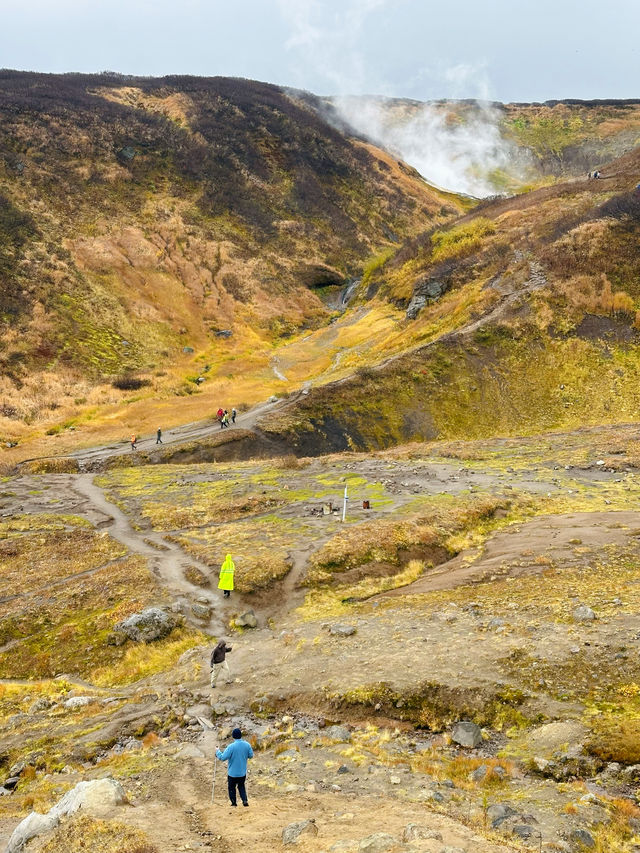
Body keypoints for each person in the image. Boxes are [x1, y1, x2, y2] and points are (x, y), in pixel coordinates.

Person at [216, 728, 253, 807]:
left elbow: (222, 758)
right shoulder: (247, 745)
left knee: (231, 788)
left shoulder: (231, 746)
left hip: (232, 773)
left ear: (233, 736)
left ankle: (233, 803)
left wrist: (217, 751)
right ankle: (244, 800)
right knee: (241, 786)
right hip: (242, 772)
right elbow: (251, 755)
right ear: (240, 735)